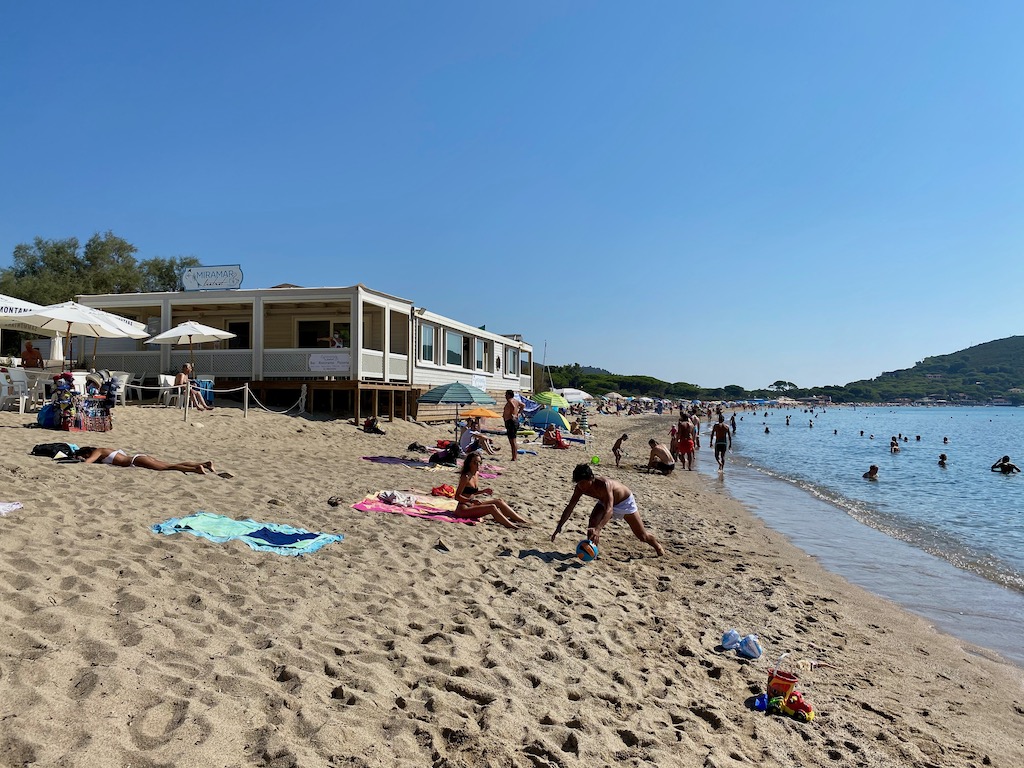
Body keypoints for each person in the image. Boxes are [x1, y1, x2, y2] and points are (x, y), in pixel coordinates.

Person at [551, 463, 664, 556]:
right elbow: (570, 506)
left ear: (591, 478)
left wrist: (599, 529)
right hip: (604, 501)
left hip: (624, 503)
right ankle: (591, 550)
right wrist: (560, 525)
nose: (581, 486)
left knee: (642, 536)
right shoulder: (579, 488)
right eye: (579, 483)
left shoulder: (604, 484)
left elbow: (609, 510)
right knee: (592, 523)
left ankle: (657, 546)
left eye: (583, 483)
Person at [454, 451, 533, 528]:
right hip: (463, 508)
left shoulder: (476, 474)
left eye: (479, 462)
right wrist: (470, 501)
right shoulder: (466, 477)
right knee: (491, 507)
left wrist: (483, 491)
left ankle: (521, 520)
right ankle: (511, 525)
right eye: (475, 462)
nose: (478, 465)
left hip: (472, 505)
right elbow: (457, 496)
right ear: (469, 463)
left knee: (499, 501)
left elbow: (469, 492)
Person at [72, 446, 214, 474]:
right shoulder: (107, 449)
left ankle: (196, 469)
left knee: (167, 468)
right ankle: (204, 464)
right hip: (138, 457)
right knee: (170, 464)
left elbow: (88, 462)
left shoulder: (99, 451)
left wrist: (80, 459)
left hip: (135, 461)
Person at [503, 390, 522, 461]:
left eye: (506, 394)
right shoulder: (516, 401)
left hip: (511, 422)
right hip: (513, 421)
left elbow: (513, 406)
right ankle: (514, 456)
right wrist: (518, 413)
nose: (505, 396)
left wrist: (512, 414)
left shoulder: (510, 401)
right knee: (513, 440)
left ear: (509, 395)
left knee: (512, 440)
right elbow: (523, 405)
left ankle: (514, 457)